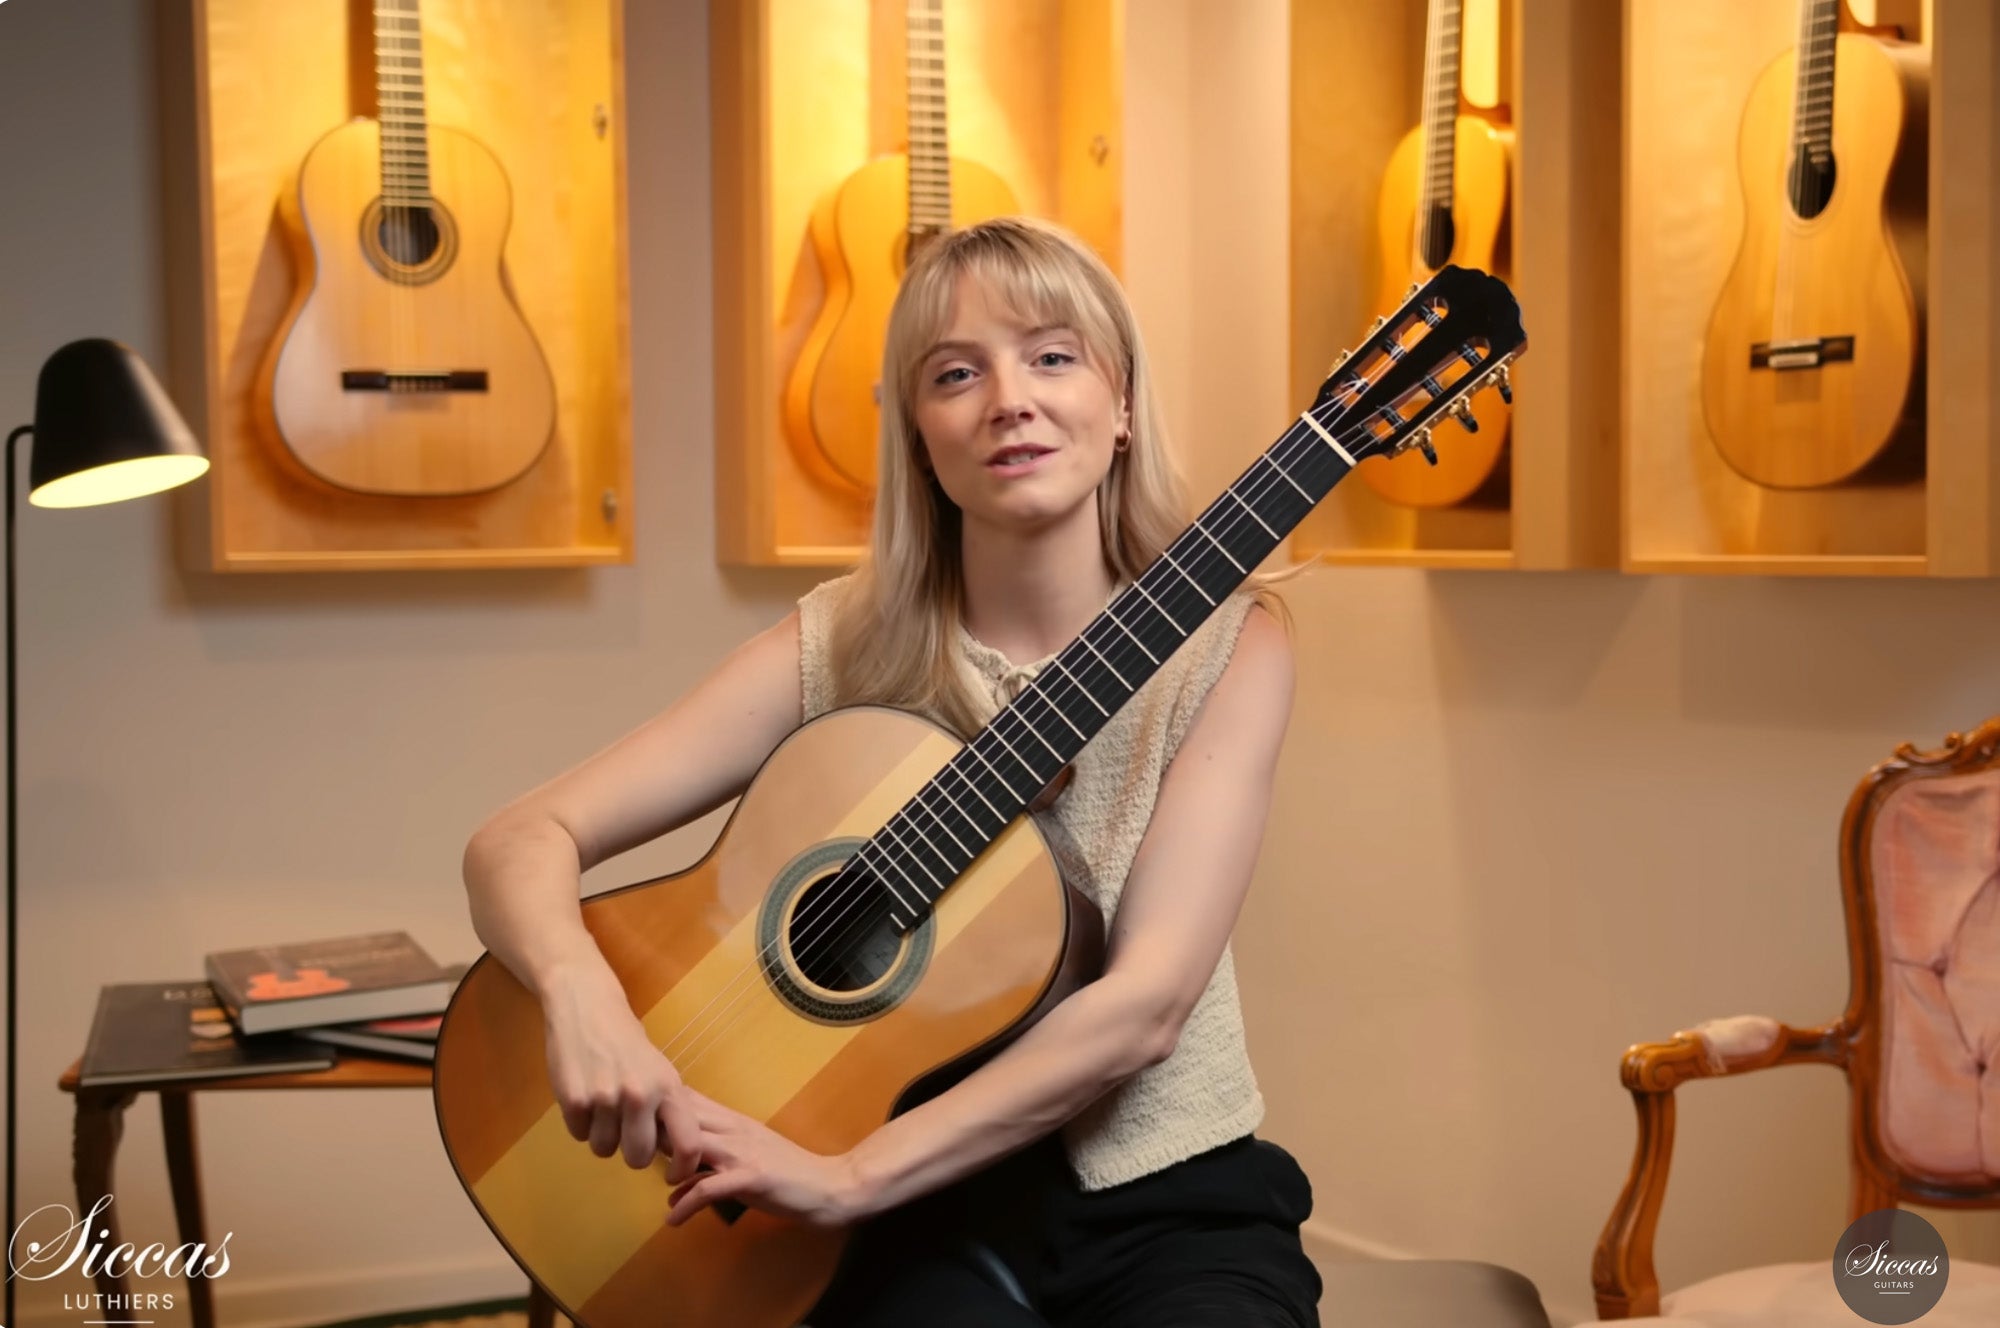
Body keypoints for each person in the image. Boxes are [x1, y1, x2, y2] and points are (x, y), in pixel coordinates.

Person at [460, 216, 1320, 1327]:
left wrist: (850, 1173)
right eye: (955, 374)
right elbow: (517, 839)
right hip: (899, 1224)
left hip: (1161, 1201)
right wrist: (583, 999)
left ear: (1120, 406)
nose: (1008, 398)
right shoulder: (841, 642)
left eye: (1052, 356)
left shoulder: (1227, 645)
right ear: (918, 437)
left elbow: (1144, 1003)